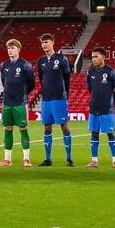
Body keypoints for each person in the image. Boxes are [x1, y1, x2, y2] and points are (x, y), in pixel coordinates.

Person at [0, 39, 35, 167]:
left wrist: (22, 94)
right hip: (7, 102)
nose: (10, 50)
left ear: (18, 49)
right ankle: (7, 159)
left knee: (23, 128)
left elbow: (31, 84)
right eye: (8, 48)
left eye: (12, 48)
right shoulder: (4, 65)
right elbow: (3, 82)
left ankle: (26, 159)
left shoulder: (25, 65)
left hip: (20, 103)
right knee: (7, 129)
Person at [36, 34, 73, 167]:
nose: (44, 45)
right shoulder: (40, 61)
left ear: (52, 42)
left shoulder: (62, 59)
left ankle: (69, 159)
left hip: (59, 98)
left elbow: (67, 78)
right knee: (47, 126)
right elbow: (41, 78)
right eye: (42, 43)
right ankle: (48, 159)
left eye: (46, 42)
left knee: (64, 126)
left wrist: (65, 95)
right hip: (46, 98)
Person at [85, 48, 115, 168]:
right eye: (92, 57)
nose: (94, 59)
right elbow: (90, 89)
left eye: (96, 56)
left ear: (103, 57)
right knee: (94, 133)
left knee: (111, 133)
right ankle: (94, 160)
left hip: (107, 109)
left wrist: (110, 99)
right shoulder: (90, 73)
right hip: (94, 108)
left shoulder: (111, 72)